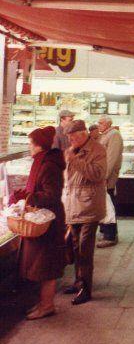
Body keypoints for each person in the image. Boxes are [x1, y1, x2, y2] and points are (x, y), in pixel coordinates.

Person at [12, 127, 66, 320]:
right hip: (42, 218)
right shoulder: (43, 161)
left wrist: (28, 196)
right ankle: (44, 302)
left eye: (30, 143)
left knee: (46, 266)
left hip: (48, 222)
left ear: (38, 145)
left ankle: (47, 306)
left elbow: (51, 195)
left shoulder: (48, 165)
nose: (29, 147)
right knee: (41, 265)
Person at [63, 120, 107, 305]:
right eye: (69, 138)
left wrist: (75, 160)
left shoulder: (97, 149)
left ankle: (86, 289)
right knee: (75, 246)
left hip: (89, 205)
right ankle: (78, 281)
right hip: (73, 205)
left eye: (73, 137)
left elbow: (98, 174)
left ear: (83, 134)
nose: (71, 141)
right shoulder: (71, 150)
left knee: (85, 249)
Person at [97, 117, 124, 248]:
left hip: (107, 177)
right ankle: (105, 231)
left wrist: (104, 175)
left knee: (109, 205)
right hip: (103, 176)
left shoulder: (114, 135)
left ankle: (110, 235)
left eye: (101, 123)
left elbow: (111, 158)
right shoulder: (106, 135)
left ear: (108, 123)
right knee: (104, 204)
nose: (98, 125)